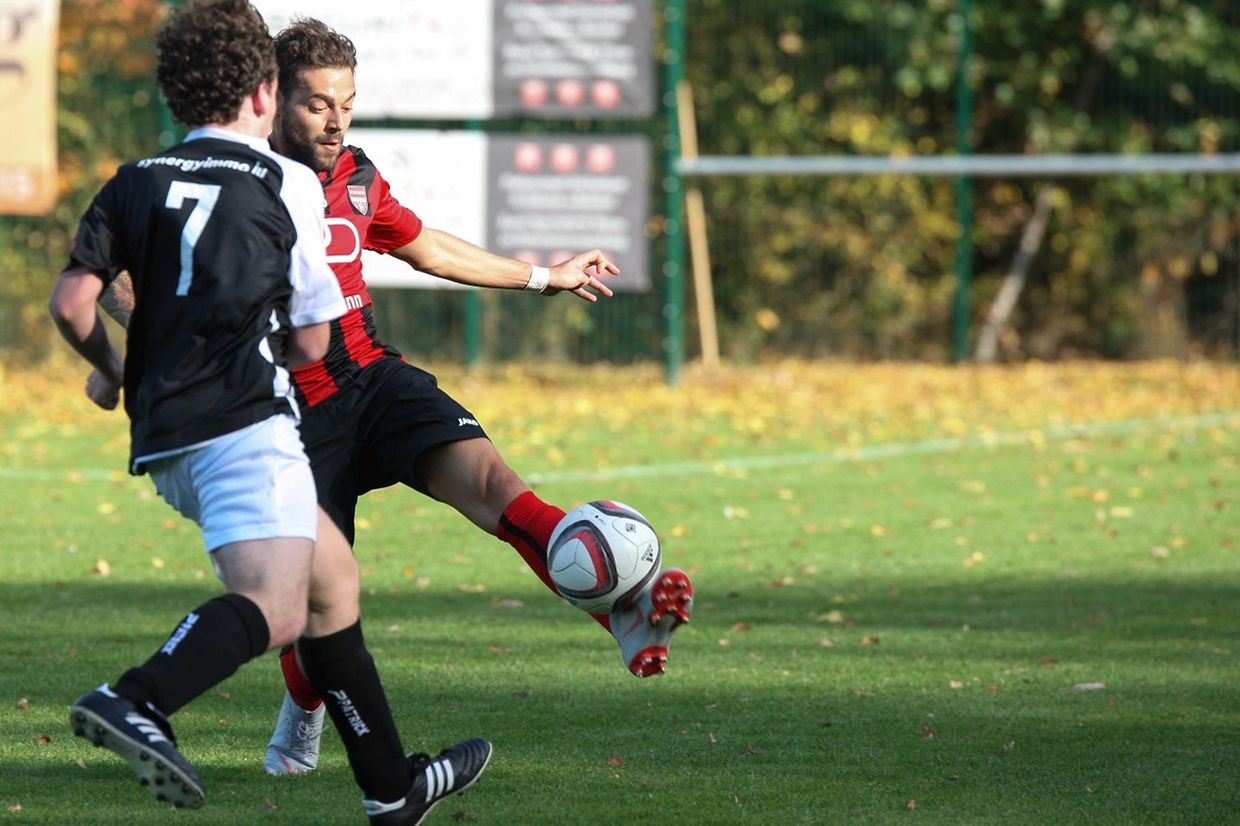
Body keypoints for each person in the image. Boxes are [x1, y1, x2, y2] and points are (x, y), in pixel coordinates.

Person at [54, 2, 489, 822]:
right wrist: (277, 352)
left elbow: (75, 300)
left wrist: (112, 371)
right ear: (263, 94)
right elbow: (315, 339)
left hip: (163, 438)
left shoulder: (135, 180)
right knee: (283, 606)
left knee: (333, 586)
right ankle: (137, 697)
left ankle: (390, 788)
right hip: (246, 428)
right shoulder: (286, 183)